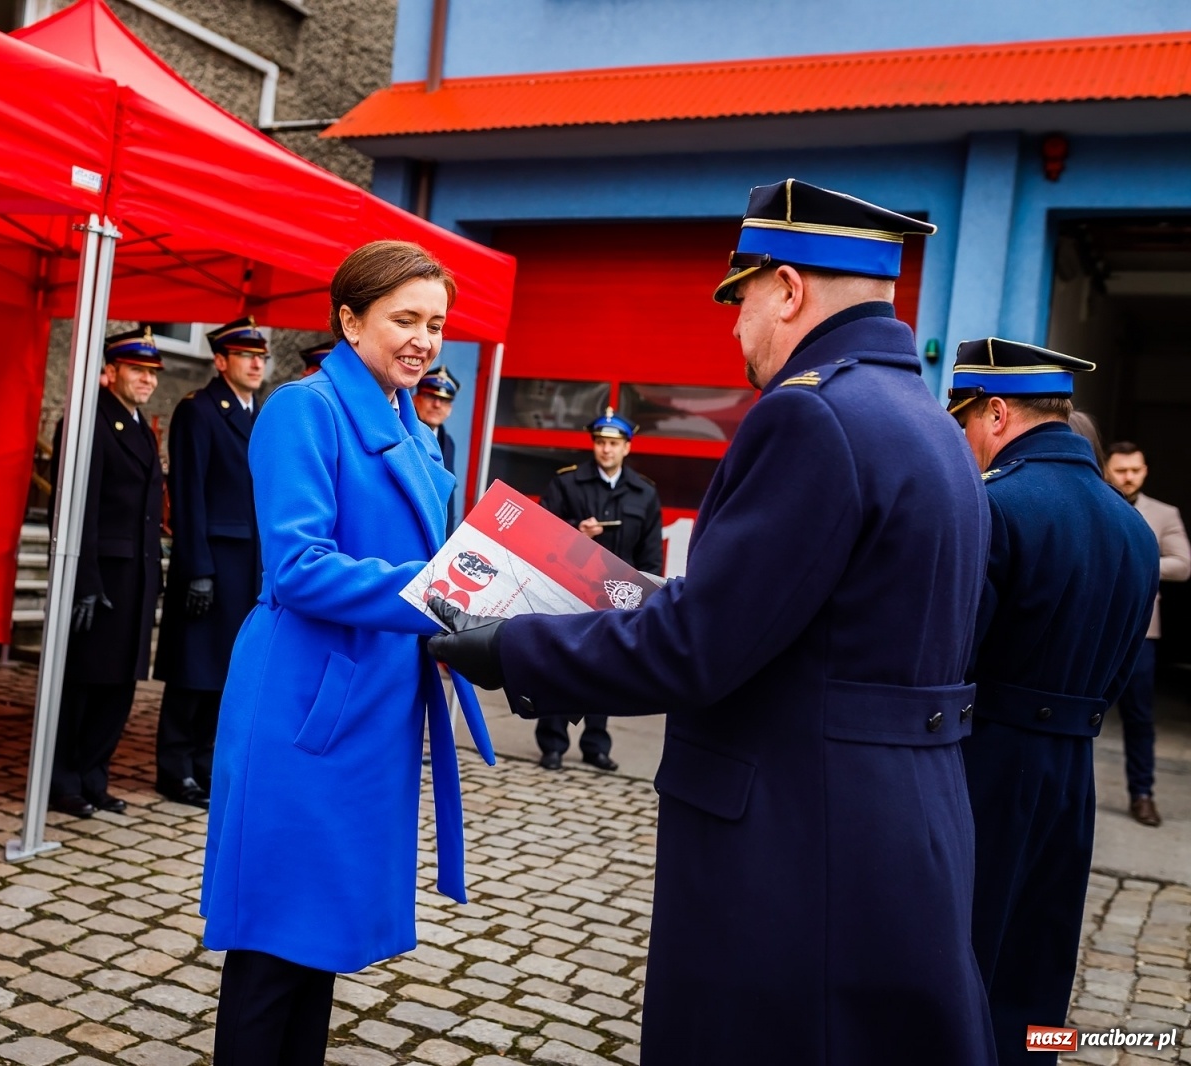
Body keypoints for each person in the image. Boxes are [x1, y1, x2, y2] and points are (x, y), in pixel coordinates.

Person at [430, 180, 998, 1065]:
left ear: (787, 288)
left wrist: (512, 645)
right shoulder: (926, 420)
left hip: (799, 832)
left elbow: (697, 650)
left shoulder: (811, 414)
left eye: (739, 302)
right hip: (904, 820)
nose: (734, 329)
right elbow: (819, 621)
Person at [203, 240, 493, 1065]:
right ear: (348, 320)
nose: (423, 339)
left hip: (369, 705)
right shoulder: (307, 408)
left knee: (318, 941)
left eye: (435, 323)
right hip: (306, 705)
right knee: (274, 942)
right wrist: (445, 591)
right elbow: (298, 568)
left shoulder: (409, 423)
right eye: (404, 319)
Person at [947, 341, 1157, 1063]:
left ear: (997, 412)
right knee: (1038, 960)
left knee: (957, 950)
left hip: (982, 763)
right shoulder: (1132, 526)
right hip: (1072, 769)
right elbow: (1126, 665)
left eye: (966, 420)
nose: (965, 441)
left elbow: (950, 654)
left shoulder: (995, 504)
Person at [48, 328, 164, 818]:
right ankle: (62, 779)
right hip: (101, 575)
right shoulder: (87, 419)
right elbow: (80, 509)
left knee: (118, 687)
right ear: (111, 371)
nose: (146, 380)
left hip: (135, 573)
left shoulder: (138, 425)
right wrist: (85, 580)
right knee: (82, 685)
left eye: (152, 373)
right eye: (137, 370)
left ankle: (95, 775)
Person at [152, 316, 266, 808]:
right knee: (193, 670)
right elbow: (188, 493)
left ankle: (205, 764)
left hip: (247, 565)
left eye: (261, 356)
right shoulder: (200, 410)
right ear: (220, 362)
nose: (257, 363)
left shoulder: (258, 413)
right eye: (246, 355)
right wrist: (196, 566)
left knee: (226, 671)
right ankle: (175, 769)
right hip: (212, 560)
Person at [533, 408, 663, 772]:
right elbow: (540, 532)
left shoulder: (644, 492)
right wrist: (575, 531)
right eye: (601, 442)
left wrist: (644, 595)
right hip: (570, 589)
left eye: (613, 444)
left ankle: (595, 745)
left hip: (618, 597)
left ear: (627, 447)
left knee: (607, 669)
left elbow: (650, 552)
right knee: (560, 666)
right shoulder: (567, 483)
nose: (606, 450)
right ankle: (553, 743)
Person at [1102, 441, 1189, 827]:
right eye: (1121, 470)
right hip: (1092, 626)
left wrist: (1135, 558)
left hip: (1141, 632)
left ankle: (1142, 793)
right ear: (1107, 469)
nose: (1128, 477)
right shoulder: (1094, 501)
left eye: (1135, 470)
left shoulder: (1164, 513)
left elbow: (1182, 565)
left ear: (1145, 470)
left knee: (1138, 717)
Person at [413, 366, 462, 534]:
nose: (437, 405)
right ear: (415, 399)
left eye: (444, 401)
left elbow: (449, 496)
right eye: (429, 396)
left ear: (450, 409)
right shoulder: (401, 432)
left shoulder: (448, 443)